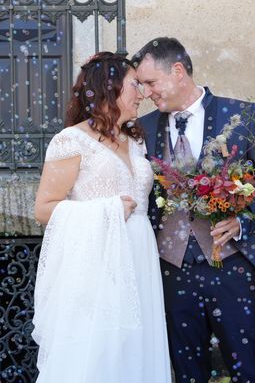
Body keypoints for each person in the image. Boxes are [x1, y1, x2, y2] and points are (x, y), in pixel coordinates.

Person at [134, 37, 255, 383]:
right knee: (186, 372)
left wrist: (242, 220)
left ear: (177, 71)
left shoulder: (242, 114)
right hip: (171, 271)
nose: (146, 92)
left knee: (249, 369)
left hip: (233, 267)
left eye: (150, 82)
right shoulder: (144, 127)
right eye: (141, 85)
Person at [32, 51, 171, 383]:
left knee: (135, 344)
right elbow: (44, 209)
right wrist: (104, 211)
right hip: (98, 260)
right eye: (134, 85)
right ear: (109, 89)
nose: (143, 93)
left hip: (139, 254)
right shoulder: (71, 141)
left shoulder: (134, 141)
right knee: (100, 347)